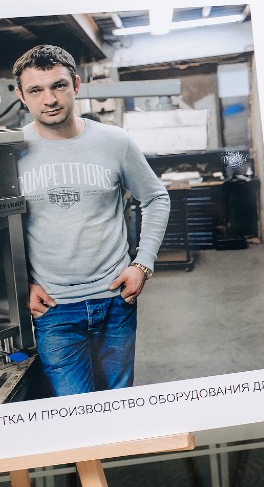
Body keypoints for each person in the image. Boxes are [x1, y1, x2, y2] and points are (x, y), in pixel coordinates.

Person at [14, 44, 171, 396]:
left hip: (116, 299)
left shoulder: (115, 142)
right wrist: (20, 286)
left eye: (58, 86)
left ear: (76, 85)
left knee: (117, 402)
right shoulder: (11, 151)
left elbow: (156, 197)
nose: (49, 99)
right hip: (53, 308)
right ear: (21, 95)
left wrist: (143, 264)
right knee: (75, 409)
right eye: (36, 90)